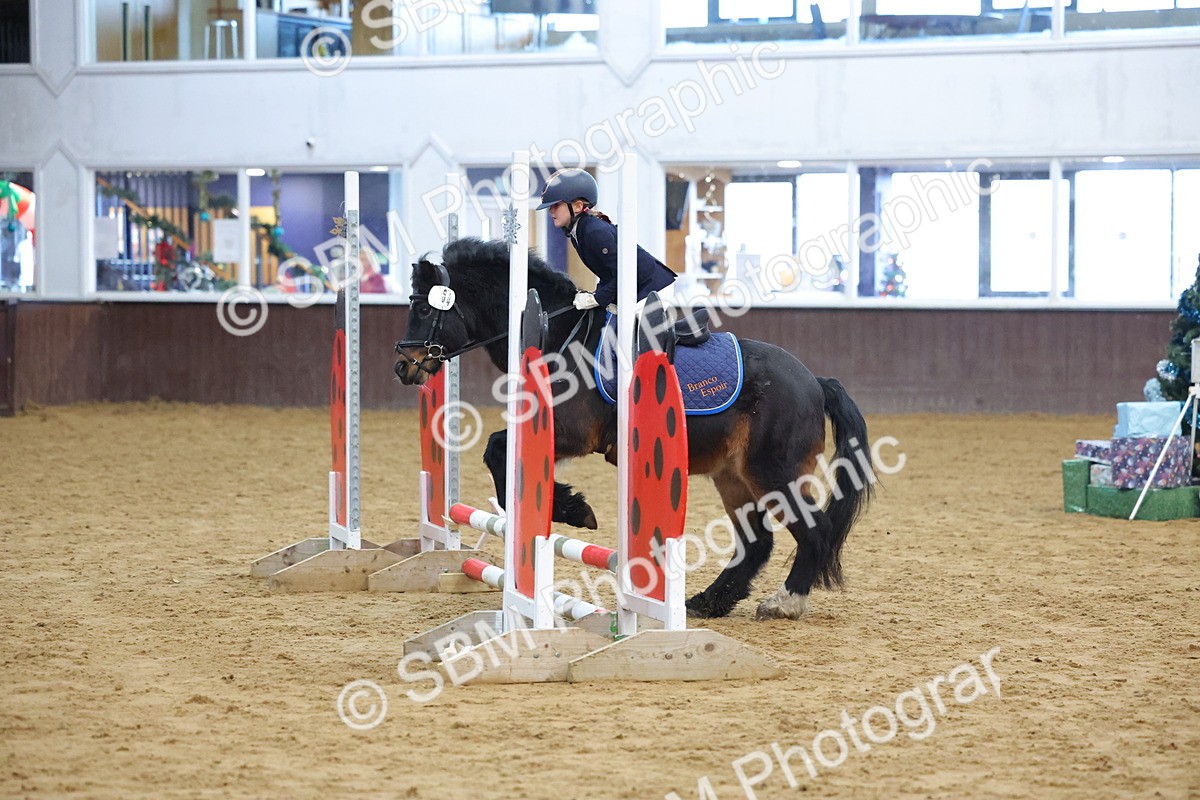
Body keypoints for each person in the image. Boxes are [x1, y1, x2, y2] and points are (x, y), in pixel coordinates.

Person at [536, 169, 676, 312]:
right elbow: (608, 273)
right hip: (636, 289)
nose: (551, 210)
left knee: (629, 334)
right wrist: (596, 294)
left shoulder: (594, 231)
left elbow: (624, 272)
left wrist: (597, 298)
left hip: (653, 290)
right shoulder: (577, 232)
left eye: (557, 205)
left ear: (578, 206)